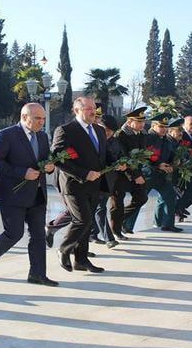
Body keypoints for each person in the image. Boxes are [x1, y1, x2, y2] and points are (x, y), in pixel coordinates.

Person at [0, 103, 58, 286]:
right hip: (12, 194)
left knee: (38, 235)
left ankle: (37, 274)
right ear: (25, 117)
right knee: (14, 233)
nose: (41, 122)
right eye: (37, 118)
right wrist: (21, 172)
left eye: (43, 118)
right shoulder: (7, 134)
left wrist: (49, 167)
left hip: (37, 194)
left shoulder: (42, 136)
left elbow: (44, 160)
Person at [51, 97, 125, 273]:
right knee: (82, 220)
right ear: (77, 110)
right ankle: (64, 248)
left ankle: (81, 260)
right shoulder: (65, 130)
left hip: (95, 185)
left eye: (94, 108)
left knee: (88, 222)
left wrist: (117, 163)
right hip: (74, 185)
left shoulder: (99, 130)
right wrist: (84, 173)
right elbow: (57, 158)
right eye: (89, 109)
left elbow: (105, 154)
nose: (93, 112)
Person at [112, 107, 149, 238]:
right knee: (117, 203)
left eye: (143, 122)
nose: (142, 125)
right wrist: (135, 175)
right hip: (121, 174)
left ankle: (118, 220)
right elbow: (123, 157)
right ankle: (116, 231)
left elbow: (140, 155)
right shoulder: (120, 135)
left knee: (142, 197)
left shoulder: (143, 133)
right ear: (129, 122)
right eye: (138, 122)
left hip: (136, 172)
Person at [143, 115, 184, 232]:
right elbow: (142, 157)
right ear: (154, 126)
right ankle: (126, 226)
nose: (164, 129)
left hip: (162, 176)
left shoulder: (165, 139)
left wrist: (174, 163)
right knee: (139, 199)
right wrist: (158, 165)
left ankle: (168, 224)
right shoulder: (148, 138)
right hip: (148, 175)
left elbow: (169, 155)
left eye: (166, 127)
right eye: (161, 126)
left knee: (170, 195)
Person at [92, 114, 124, 249]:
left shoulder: (114, 142)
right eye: (105, 129)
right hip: (92, 179)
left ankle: (93, 234)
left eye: (111, 131)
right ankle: (109, 238)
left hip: (108, 180)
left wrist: (122, 164)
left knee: (97, 207)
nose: (108, 133)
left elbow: (121, 156)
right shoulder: (92, 139)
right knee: (99, 208)